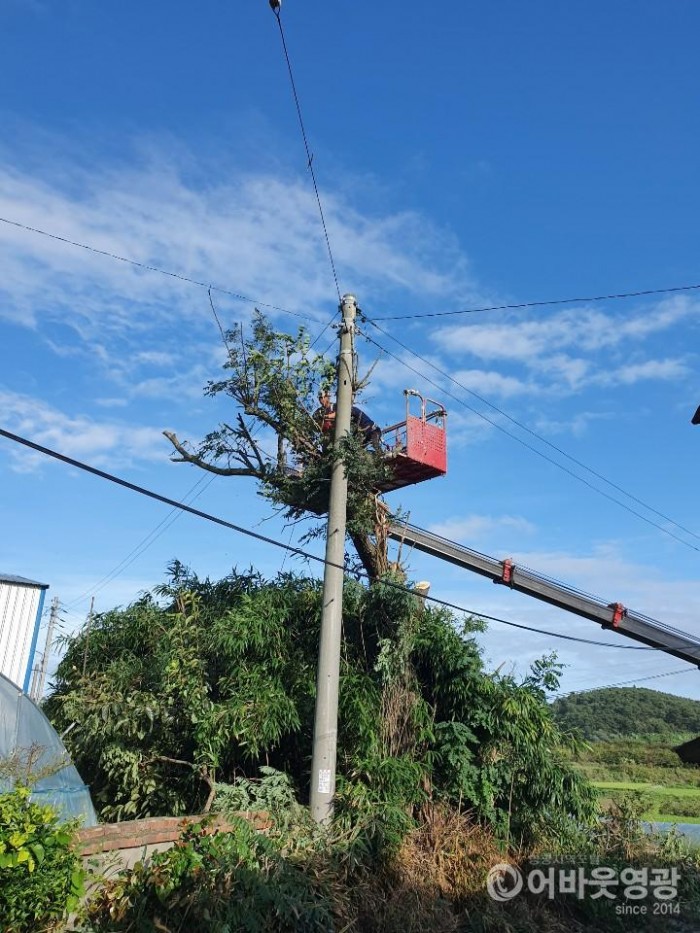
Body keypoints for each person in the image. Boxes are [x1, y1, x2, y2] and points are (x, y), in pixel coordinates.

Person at [315, 390, 382, 451]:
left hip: (372, 430)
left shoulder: (340, 408)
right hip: (330, 439)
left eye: (323, 397)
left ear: (327, 397)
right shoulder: (319, 412)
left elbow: (339, 414)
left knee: (373, 445)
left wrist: (325, 417)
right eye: (320, 398)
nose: (322, 400)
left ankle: (381, 455)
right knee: (359, 450)